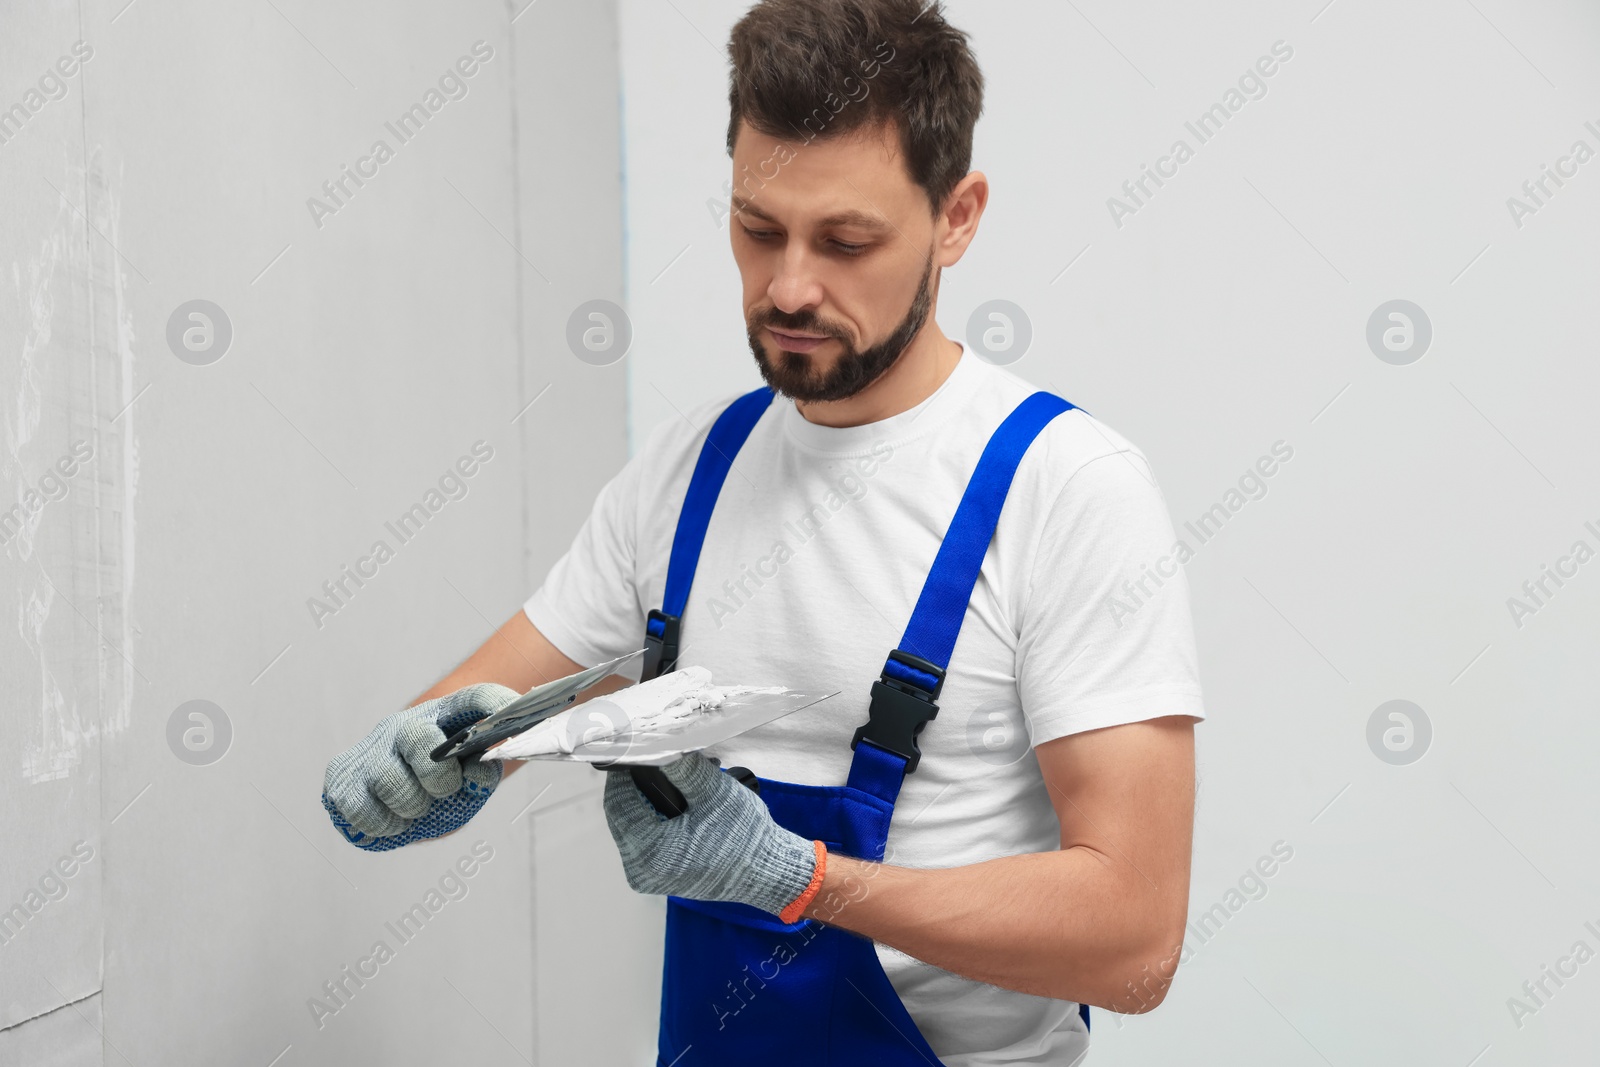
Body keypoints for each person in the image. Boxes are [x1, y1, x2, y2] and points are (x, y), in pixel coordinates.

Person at [321, 1, 1206, 1062]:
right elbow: (487, 718)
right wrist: (423, 771)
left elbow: (1134, 941)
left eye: (846, 241)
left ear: (957, 217)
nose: (788, 285)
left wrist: (806, 880)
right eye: (757, 227)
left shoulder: (1065, 489)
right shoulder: (690, 475)